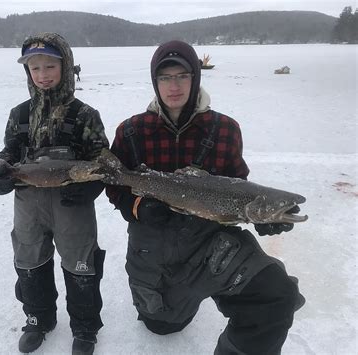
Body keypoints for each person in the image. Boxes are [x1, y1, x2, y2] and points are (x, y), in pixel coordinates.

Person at [106, 40, 305, 355]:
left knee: (276, 295)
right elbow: (115, 185)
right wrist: (138, 207)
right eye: (165, 77)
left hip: (211, 244)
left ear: (195, 78)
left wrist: (263, 219)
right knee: (162, 325)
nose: (174, 85)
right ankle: (179, 300)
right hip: (153, 247)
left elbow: (237, 186)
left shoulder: (225, 129)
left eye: (182, 76)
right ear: (155, 82)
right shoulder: (131, 131)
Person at [0, 32, 109, 355]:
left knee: (81, 264)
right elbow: (10, 152)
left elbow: (103, 160)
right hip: (28, 203)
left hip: (72, 203)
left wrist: (93, 185)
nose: (42, 75)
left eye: (50, 66)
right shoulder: (19, 114)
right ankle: (38, 318)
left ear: (65, 66)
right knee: (29, 261)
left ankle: (84, 326)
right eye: (35, 68)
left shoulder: (85, 115)